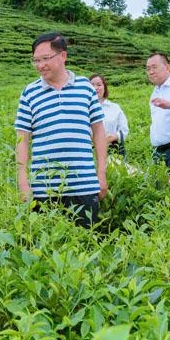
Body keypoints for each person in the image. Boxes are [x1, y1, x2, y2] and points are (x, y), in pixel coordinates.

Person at [15, 33, 108, 228]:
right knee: (46, 242)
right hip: (44, 189)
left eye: (45, 58)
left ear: (63, 56)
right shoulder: (29, 93)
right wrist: (23, 182)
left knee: (85, 241)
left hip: (84, 186)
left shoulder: (85, 88)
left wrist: (101, 173)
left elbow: (99, 132)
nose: (40, 65)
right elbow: (22, 140)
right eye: (36, 60)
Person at [89, 74, 129, 157]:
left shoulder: (114, 107)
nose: (95, 88)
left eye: (99, 85)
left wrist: (113, 137)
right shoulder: (84, 108)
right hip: (89, 150)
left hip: (113, 151)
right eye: (92, 85)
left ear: (105, 87)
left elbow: (124, 130)